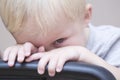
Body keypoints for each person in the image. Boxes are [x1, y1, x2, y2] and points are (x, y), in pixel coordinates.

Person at [0, 0, 120, 79]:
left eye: (59, 41)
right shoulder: (29, 54)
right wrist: (18, 64)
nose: (48, 54)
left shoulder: (112, 41)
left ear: (86, 16)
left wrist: (83, 55)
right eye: (33, 44)